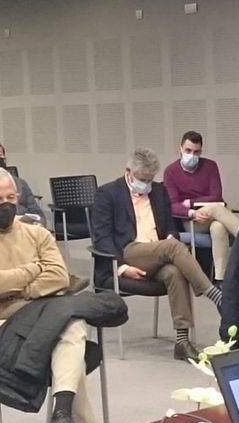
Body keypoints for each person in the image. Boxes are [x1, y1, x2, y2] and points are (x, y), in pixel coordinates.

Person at [0, 167, 105, 423]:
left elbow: (59, 276)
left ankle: (63, 414)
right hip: (4, 323)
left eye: (11, 197)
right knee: (70, 328)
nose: (6, 205)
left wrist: (17, 290)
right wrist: (35, 270)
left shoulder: (37, 234)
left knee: (69, 324)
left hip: (45, 312)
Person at [91, 148, 223, 361]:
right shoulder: (108, 194)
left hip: (158, 252)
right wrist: (122, 267)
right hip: (129, 251)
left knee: (173, 271)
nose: (146, 184)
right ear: (128, 172)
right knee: (173, 247)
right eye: (142, 179)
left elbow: (170, 227)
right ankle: (215, 294)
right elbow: (102, 238)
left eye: (150, 179)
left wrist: (170, 236)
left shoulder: (159, 192)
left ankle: (182, 341)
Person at [161, 131, 239, 279]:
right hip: (192, 221)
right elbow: (172, 205)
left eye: (196, 152)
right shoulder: (170, 172)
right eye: (188, 150)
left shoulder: (210, 166)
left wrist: (190, 202)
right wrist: (192, 212)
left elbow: (216, 195)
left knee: (218, 227)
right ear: (180, 148)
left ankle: (220, 279)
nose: (192, 155)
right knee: (217, 207)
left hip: (215, 214)